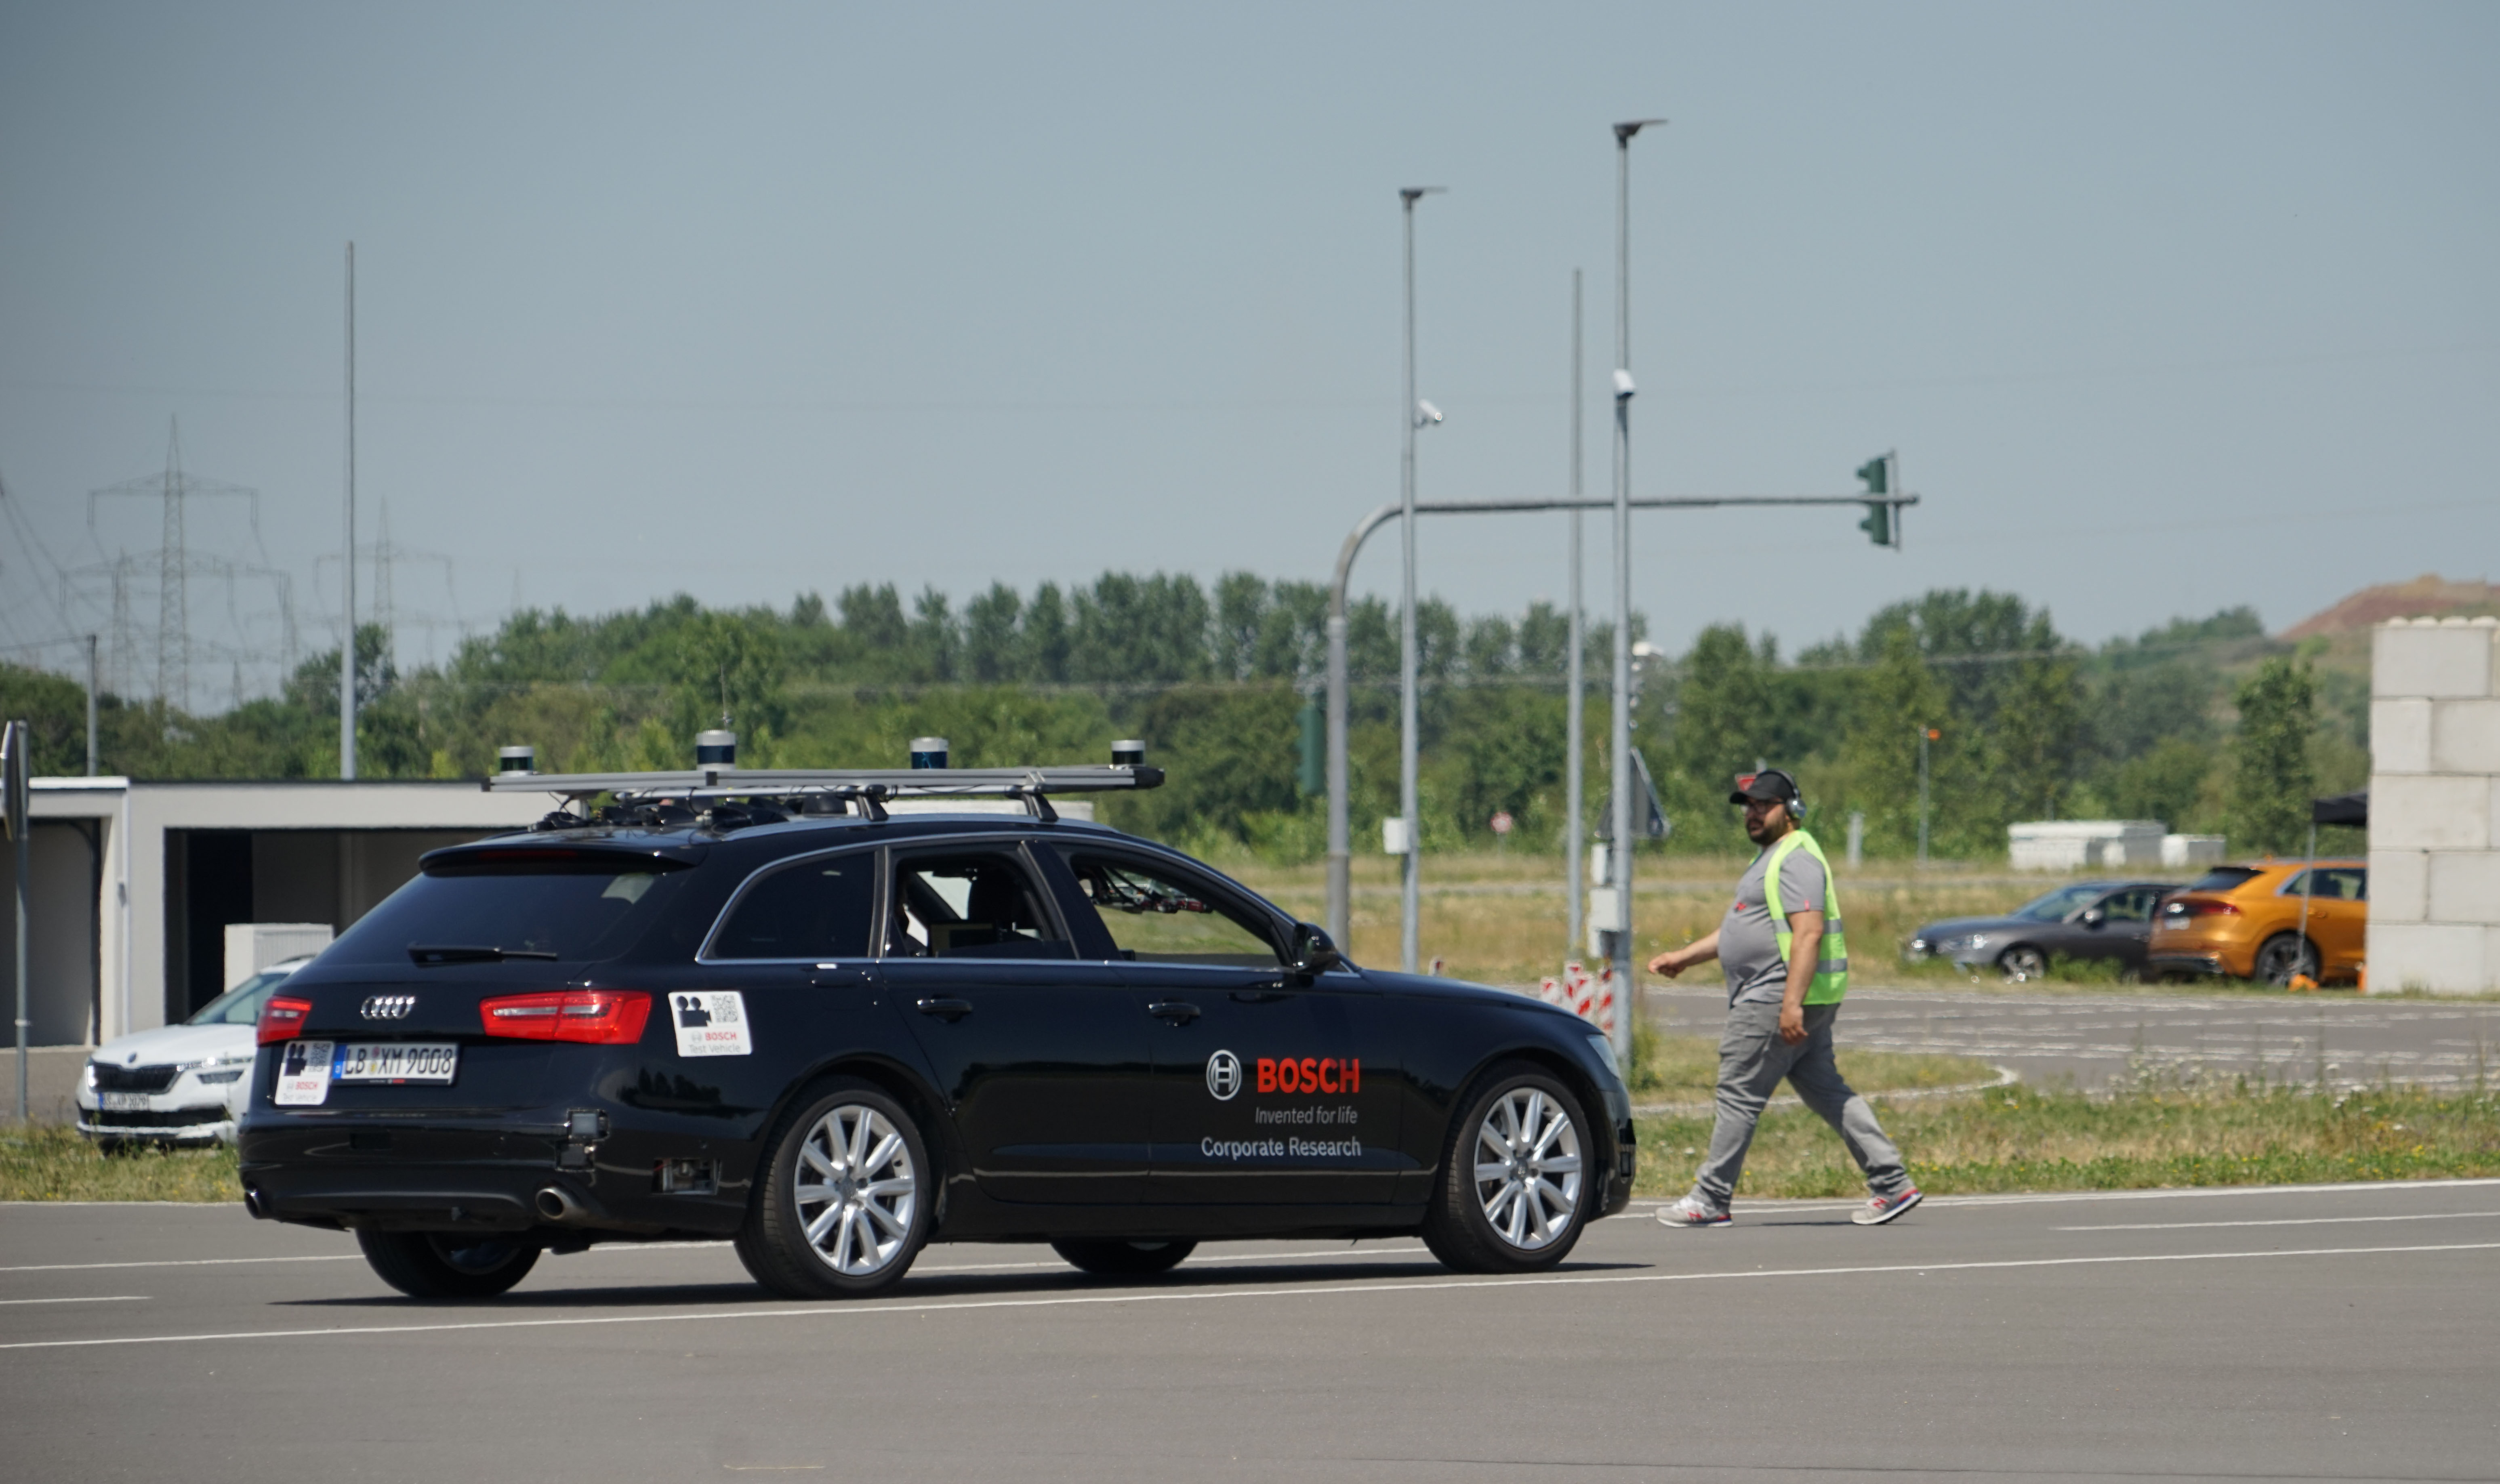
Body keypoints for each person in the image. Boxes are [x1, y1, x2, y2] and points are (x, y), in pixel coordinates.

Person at [1647, 768, 1921, 1228]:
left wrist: (1790, 1003)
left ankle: (1711, 1197)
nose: (1752, 814)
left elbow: (1808, 933)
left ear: (1791, 809)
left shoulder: (1796, 859)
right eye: (1748, 807)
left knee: (1738, 1092)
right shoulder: (1772, 858)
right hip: (1790, 997)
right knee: (1827, 1091)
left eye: (1763, 805)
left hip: (1774, 996)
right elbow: (1741, 928)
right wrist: (1685, 957)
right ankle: (1893, 1183)